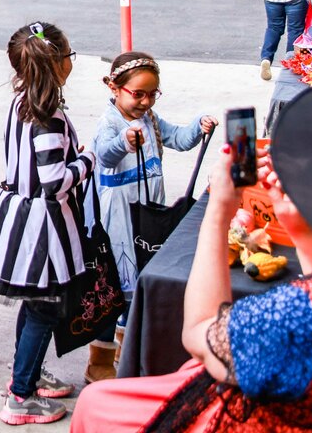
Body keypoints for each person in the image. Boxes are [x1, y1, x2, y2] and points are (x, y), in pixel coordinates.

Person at [71, 78, 312, 432]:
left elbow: (200, 333)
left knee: (95, 404)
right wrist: (301, 231)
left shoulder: (305, 318)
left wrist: (219, 209)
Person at [0, 22, 95, 426]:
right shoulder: (49, 116)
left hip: (19, 215)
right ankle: (21, 396)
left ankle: (26, 374)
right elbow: (54, 183)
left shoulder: (22, 101)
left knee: (34, 304)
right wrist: (86, 161)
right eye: (70, 57)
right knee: (44, 309)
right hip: (42, 229)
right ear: (59, 64)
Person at [85, 52, 218, 382]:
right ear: (114, 88)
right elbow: (104, 153)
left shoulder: (151, 119)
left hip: (146, 217)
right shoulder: (110, 123)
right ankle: (99, 360)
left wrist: (198, 126)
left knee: (141, 281)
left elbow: (180, 139)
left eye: (152, 94)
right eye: (138, 94)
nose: (145, 101)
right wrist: (124, 141)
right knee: (116, 287)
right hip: (118, 220)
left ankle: (126, 346)